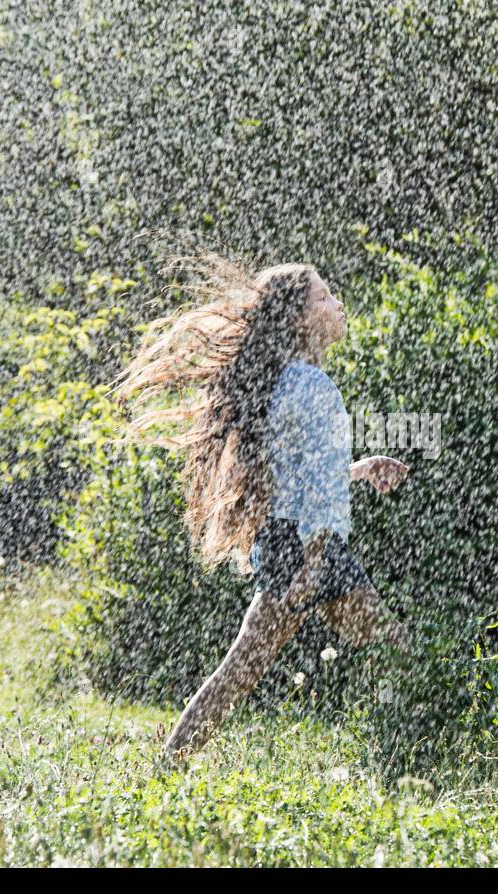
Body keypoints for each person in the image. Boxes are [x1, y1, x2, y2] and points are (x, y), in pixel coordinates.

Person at [113, 256, 412, 764]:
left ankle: (170, 765)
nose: (337, 303)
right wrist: (312, 569)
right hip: (307, 548)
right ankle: (406, 757)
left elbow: (302, 478)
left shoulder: (288, 382)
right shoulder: (314, 388)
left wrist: (357, 469)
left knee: (246, 671)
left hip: (288, 542)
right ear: (299, 319)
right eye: (323, 296)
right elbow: (317, 499)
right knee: (398, 654)